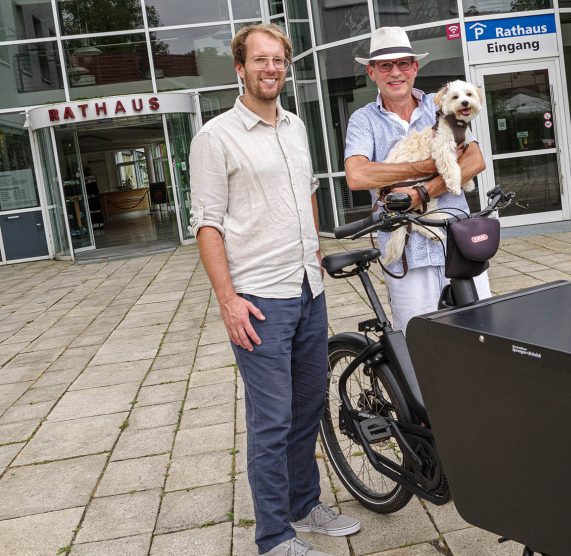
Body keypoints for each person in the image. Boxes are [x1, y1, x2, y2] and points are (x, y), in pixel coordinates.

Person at [189, 23, 360, 556]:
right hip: (259, 300)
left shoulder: (295, 126)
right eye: (260, 60)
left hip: (307, 289)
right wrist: (227, 300)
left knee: (308, 408)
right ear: (240, 68)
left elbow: (307, 193)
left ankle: (304, 507)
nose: (271, 69)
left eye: (278, 61)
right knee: (272, 421)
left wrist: (312, 253)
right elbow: (207, 224)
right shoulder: (215, 137)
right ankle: (273, 537)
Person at [344, 27, 490, 334]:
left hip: (459, 243)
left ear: (415, 68)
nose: (395, 73)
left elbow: (474, 160)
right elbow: (357, 174)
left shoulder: (441, 104)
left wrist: (423, 191)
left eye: (403, 64)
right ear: (372, 72)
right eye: (385, 65)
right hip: (407, 252)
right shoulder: (364, 119)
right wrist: (426, 165)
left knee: (482, 336)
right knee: (420, 343)